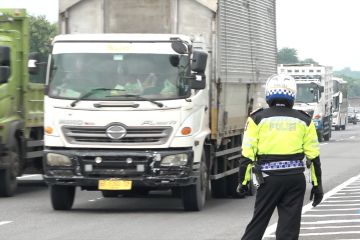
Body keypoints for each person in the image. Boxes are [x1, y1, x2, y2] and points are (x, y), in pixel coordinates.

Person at [238, 74, 324, 240]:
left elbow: (247, 154)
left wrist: (242, 181)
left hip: (269, 179)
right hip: (295, 180)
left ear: (268, 94)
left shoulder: (257, 118)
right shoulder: (304, 120)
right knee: (289, 231)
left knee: (258, 225)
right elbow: (313, 157)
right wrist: (317, 185)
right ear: (293, 95)